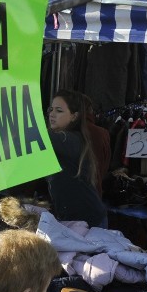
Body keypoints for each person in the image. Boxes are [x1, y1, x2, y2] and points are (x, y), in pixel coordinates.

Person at [45, 89, 107, 227]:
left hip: (90, 222)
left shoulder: (70, 139)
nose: (52, 114)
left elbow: (37, 137)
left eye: (59, 110)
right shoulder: (60, 139)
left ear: (74, 116)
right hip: (72, 218)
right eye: (51, 109)